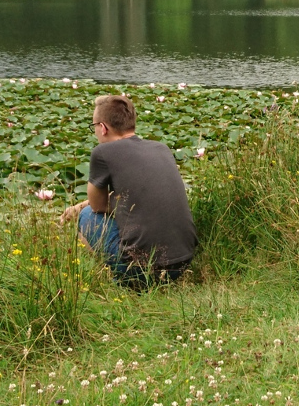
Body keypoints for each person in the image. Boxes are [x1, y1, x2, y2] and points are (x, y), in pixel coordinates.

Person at [61, 94, 197, 289]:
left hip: (142, 270)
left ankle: (118, 280)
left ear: (103, 127)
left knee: (86, 216)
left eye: (94, 127)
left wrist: (82, 206)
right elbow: (137, 197)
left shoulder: (102, 152)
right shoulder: (161, 148)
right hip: (182, 264)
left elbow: (97, 206)